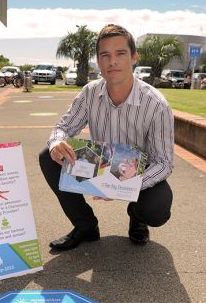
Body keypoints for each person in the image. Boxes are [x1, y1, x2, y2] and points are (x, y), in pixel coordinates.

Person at [39, 24, 174, 250]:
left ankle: (137, 216)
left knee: (157, 209)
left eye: (120, 53)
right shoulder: (90, 92)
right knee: (49, 156)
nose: (113, 61)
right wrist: (56, 141)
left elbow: (164, 163)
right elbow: (62, 127)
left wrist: (127, 185)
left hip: (137, 170)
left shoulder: (157, 105)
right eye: (105, 55)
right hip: (99, 163)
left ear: (134, 57)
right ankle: (86, 226)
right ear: (99, 61)